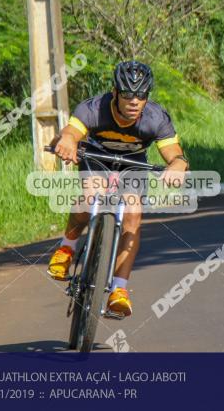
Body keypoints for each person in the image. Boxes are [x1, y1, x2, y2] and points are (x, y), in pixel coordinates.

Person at [47, 61, 189, 317]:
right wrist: (67, 141)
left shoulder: (156, 118)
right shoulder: (94, 108)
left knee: (133, 217)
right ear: (115, 92)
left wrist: (178, 165)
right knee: (90, 196)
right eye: (127, 94)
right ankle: (66, 248)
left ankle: (119, 290)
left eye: (141, 95)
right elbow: (70, 131)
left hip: (133, 166)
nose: (134, 101)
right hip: (97, 158)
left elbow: (175, 154)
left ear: (147, 96)